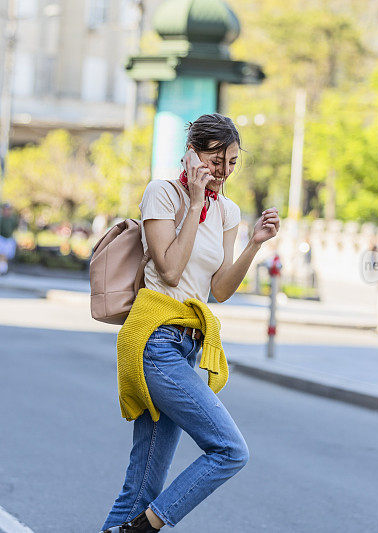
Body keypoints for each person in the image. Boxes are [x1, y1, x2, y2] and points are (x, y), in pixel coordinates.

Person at [101, 114, 280, 533]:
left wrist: (254, 244)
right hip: (154, 341)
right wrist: (196, 202)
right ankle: (147, 527)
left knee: (140, 488)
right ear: (193, 155)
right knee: (230, 450)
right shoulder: (162, 194)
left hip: (187, 344)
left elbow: (218, 289)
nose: (223, 172)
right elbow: (169, 271)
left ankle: (133, 524)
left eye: (232, 163)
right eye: (217, 161)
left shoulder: (229, 211)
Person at [0, 203, 19, 275]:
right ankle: (1, 269)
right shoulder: (0, 218)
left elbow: (14, 228)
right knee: (1, 254)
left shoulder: (12, 219)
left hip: (8, 239)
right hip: (1, 238)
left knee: (6, 255)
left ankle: (3, 269)